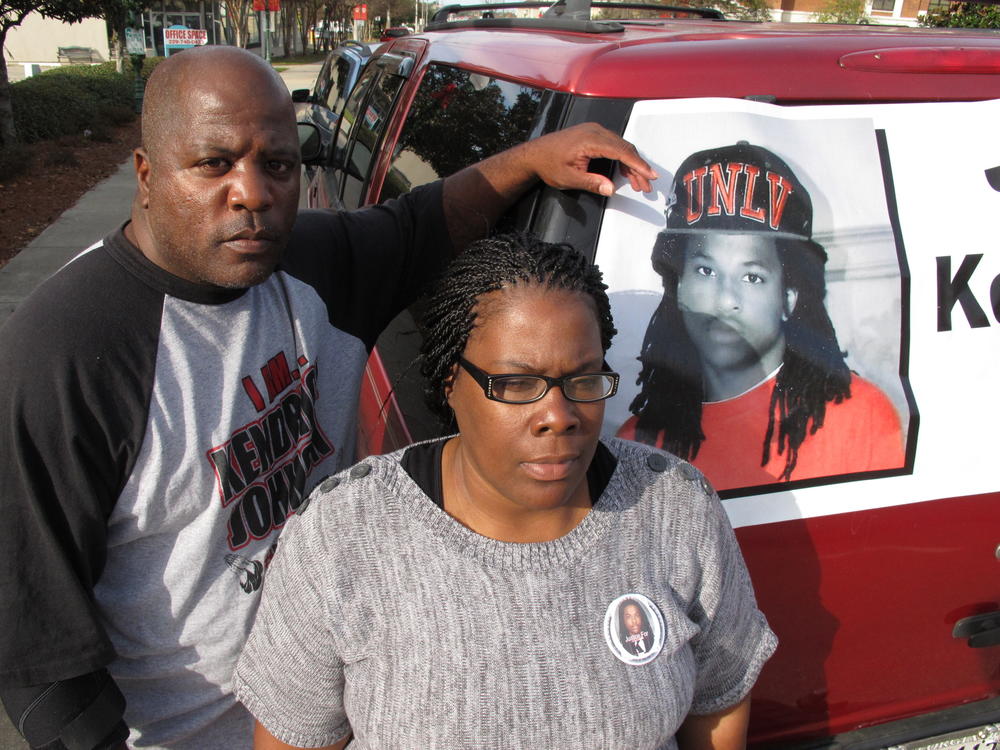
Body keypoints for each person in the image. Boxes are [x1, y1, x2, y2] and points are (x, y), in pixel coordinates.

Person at [0, 46, 656, 750]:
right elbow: (34, 641)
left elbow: (423, 223)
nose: (251, 192)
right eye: (213, 164)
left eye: (277, 165)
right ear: (147, 173)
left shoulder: (310, 266)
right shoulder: (67, 351)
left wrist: (532, 159)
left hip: (352, 715)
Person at [233, 232, 777, 750]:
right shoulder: (343, 533)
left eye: (583, 379)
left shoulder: (673, 506)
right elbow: (295, 737)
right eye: (517, 384)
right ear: (451, 381)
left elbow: (719, 700)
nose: (558, 417)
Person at [618, 141, 905, 491]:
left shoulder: (859, 414)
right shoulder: (638, 442)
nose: (726, 301)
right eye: (706, 270)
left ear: (789, 295)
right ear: (678, 285)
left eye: (752, 277)